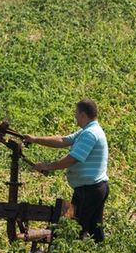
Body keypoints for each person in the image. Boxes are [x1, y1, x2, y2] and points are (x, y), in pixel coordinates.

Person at [23, 99, 109, 242]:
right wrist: (35, 139)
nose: (75, 116)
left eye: (76, 113)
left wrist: (47, 166)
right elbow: (62, 140)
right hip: (93, 188)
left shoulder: (90, 134)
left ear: (82, 114)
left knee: (75, 228)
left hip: (90, 190)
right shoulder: (87, 131)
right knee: (95, 228)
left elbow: (72, 159)